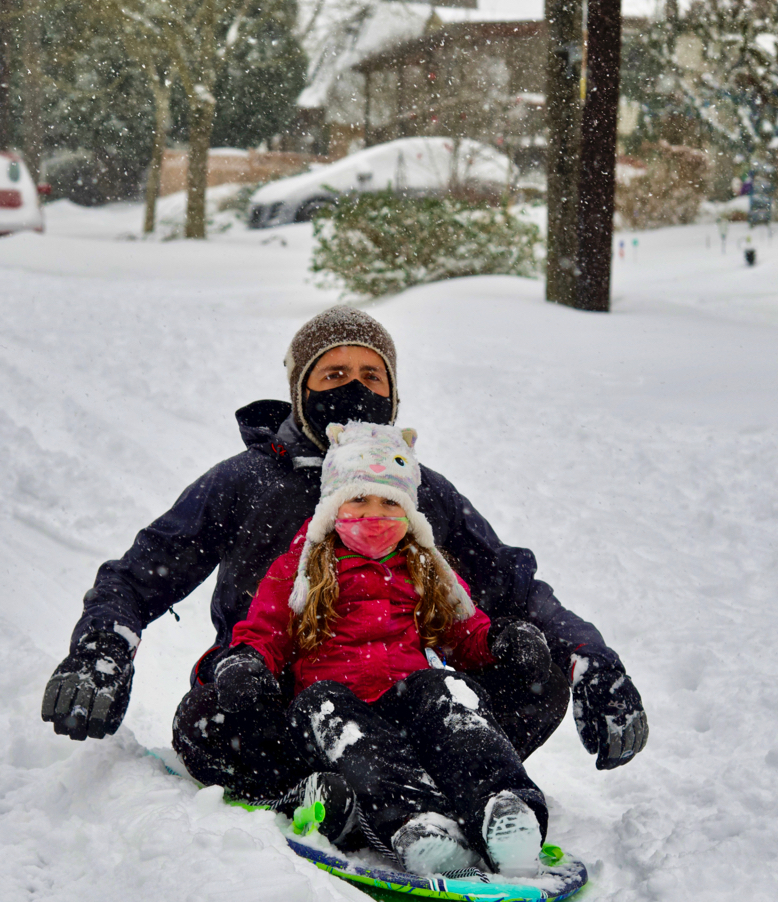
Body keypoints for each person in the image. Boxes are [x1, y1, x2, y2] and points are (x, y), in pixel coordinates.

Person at [41, 306, 647, 774]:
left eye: (369, 375)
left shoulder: (418, 496)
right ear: (304, 390)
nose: (353, 387)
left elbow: (514, 588)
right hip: (274, 701)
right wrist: (104, 647)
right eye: (334, 373)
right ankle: (325, 789)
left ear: (393, 396)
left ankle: (441, 774)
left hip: (404, 697)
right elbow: (140, 574)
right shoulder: (246, 480)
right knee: (208, 722)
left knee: (529, 669)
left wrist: (591, 659)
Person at [178, 420, 549, 877]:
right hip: (332, 702)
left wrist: (502, 640)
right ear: (334, 505)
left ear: (409, 512)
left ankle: (504, 807)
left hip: (404, 698)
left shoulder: (425, 566)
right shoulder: (303, 565)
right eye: (358, 499)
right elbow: (266, 631)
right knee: (330, 711)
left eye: (389, 502)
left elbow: (465, 630)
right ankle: (418, 823)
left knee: (449, 693)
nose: (374, 514)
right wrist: (245, 661)